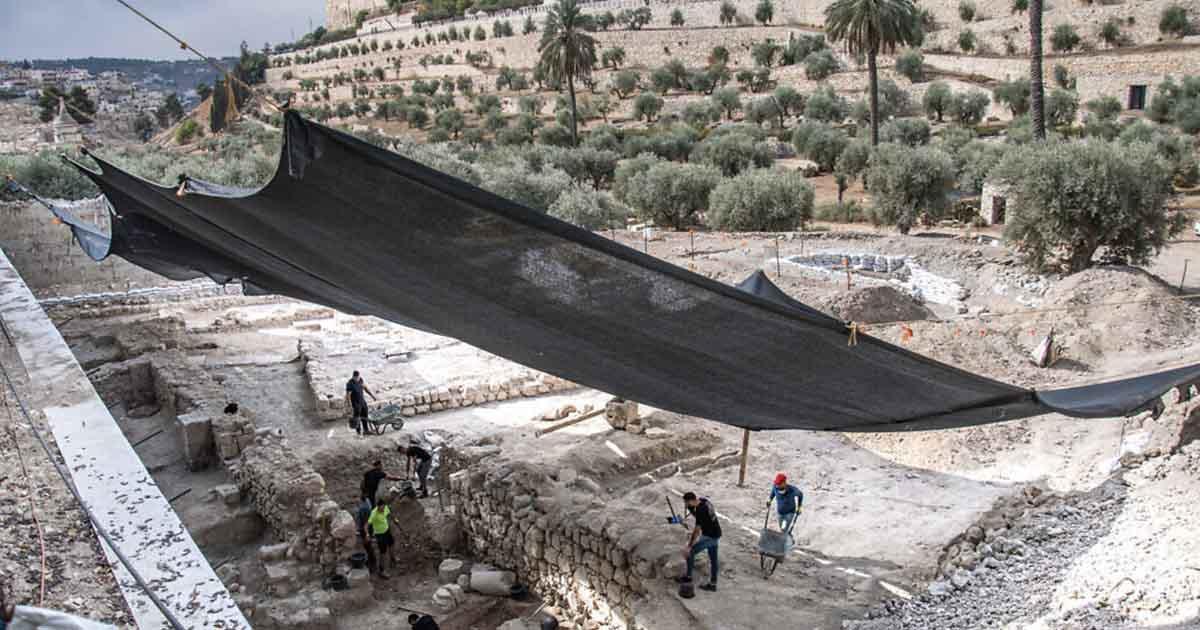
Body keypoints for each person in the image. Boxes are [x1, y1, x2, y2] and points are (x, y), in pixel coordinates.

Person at [677, 491, 721, 592]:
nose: (686, 505)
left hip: (709, 536)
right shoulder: (704, 501)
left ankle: (688, 577)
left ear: (691, 501)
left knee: (690, 552)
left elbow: (696, 531)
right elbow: (702, 517)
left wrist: (689, 546)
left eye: (687, 503)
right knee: (713, 559)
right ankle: (713, 584)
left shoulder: (701, 511)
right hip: (716, 533)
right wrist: (691, 508)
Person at [365, 496, 395, 578]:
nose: (383, 509)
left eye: (383, 507)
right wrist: (367, 534)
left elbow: (389, 514)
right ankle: (382, 571)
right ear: (378, 506)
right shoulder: (374, 513)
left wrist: (394, 519)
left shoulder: (385, 508)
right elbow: (366, 525)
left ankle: (393, 558)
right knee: (383, 553)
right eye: (381, 508)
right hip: (380, 534)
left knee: (392, 543)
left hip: (387, 530)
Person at [345, 370, 377, 436]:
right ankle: (358, 432)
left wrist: (372, 396)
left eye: (358, 377)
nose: (357, 379)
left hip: (362, 401)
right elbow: (348, 395)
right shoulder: (350, 384)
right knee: (357, 418)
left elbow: (365, 388)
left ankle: (366, 430)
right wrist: (350, 405)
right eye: (355, 377)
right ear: (353, 377)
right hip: (355, 403)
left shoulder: (361, 380)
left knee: (365, 416)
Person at [354, 496, 377, 574]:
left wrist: (366, 534)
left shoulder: (363, 508)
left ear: (360, 499)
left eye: (355, 498)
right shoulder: (367, 501)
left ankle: (372, 564)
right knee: (368, 545)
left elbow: (365, 523)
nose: (355, 500)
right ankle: (372, 560)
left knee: (367, 546)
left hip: (364, 529)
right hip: (369, 528)